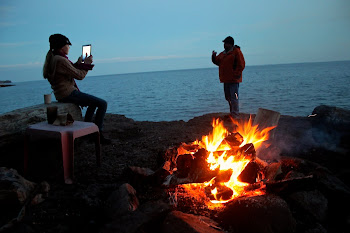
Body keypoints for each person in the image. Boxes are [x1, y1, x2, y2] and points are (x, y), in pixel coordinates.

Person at [43, 33, 111, 144]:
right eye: (68, 45)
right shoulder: (60, 60)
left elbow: (69, 70)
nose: (69, 47)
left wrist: (80, 63)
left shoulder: (55, 58)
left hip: (61, 94)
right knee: (102, 103)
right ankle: (97, 135)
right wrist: (87, 65)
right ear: (62, 46)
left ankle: (88, 132)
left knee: (94, 103)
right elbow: (80, 76)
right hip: (68, 94)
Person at [212, 36, 245, 119]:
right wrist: (213, 57)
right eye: (224, 43)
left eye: (226, 43)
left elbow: (241, 65)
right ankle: (232, 113)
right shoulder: (223, 53)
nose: (224, 45)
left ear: (230, 44)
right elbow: (217, 61)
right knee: (228, 97)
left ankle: (235, 115)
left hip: (233, 80)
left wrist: (235, 74)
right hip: (226, 79)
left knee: (234, 97)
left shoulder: (236, 52)